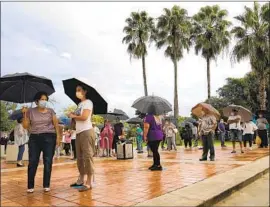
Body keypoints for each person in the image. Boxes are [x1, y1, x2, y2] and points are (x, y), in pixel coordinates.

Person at [22, 91, 61, 193]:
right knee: (33, 161)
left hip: (49, 137)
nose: (44, 101)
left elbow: (56, 124)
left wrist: (58, 137)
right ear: (36, 101)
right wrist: (24, 114)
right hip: (34, 138)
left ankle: (46, 184)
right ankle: (30, 186)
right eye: (42, 99)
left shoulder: (51, 111)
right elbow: (25, 126)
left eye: (45, 99)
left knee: (48, 161)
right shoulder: (30, 111)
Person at [68, 85, 95, 192]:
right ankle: (81, 179)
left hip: (86, 131)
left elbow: (84, 117)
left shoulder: (88, 102)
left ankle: (89, 181)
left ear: (85, 91)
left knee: (87, 156)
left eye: (79, 90)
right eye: (76, 90)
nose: (77, 92)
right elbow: (77, 118)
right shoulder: (79, 104)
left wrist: (73, 116)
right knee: (79, 157)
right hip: (78, 132)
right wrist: (72, 115)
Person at [143, 107, 164, 171]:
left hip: (153, 136)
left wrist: (144, 136)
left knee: (154, 151)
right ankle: (155, 164)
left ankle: (158, 165)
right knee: (155, 150)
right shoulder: (158, 117)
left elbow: (146, 127)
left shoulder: (148, 116)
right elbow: (160, 127)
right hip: (159, 135)